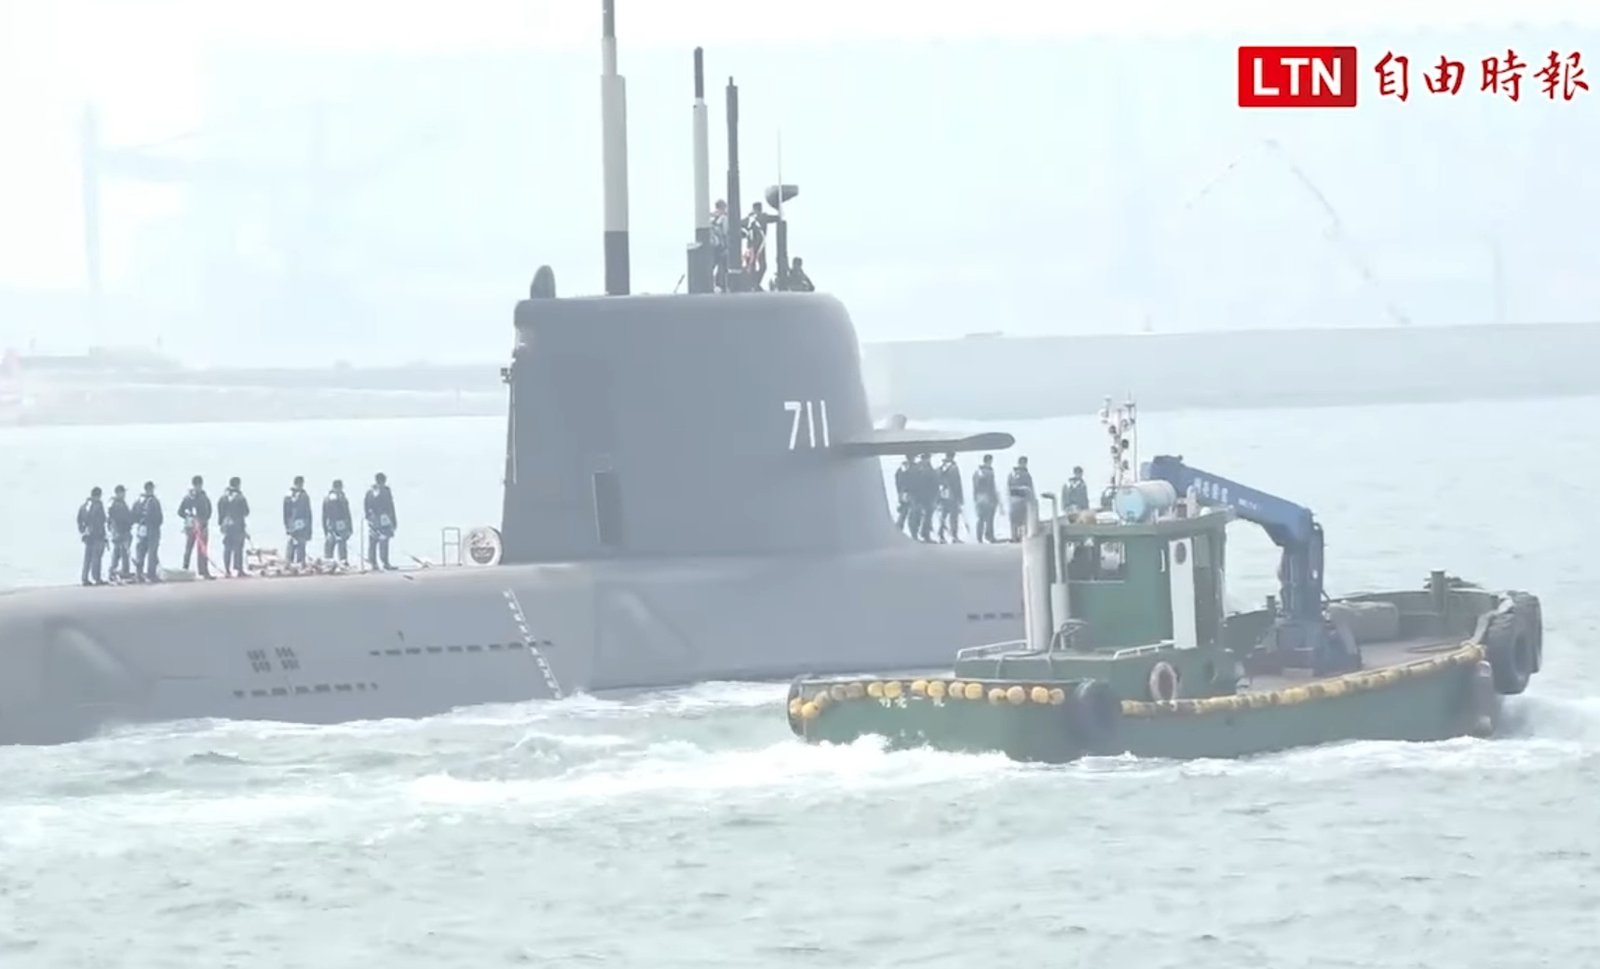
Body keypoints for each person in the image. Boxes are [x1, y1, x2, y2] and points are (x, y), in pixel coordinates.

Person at [177, 474, 213, 578]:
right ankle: (194, 570)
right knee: (196, 549)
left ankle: (193, 569)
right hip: (198, 526)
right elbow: (208, 512)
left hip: (193, 526)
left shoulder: (188, 497)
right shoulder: (201, 497)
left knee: (194, 549)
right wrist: (196, 520)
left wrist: (188, 517)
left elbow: (180, 512)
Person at [217, 476, 251, 578]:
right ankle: (239, 569)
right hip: (237, 525)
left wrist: (221, 524)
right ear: (238, 485)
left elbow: (220, 512)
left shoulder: (223, 497)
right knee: (238, 548)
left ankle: (227, 570)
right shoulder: (240, 497)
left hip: (226, 525)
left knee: (227, 547)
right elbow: (246, 512)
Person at [131, 481, 164, 582]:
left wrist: (139, 522)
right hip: (152, 529)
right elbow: (159, 517)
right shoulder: (153, 501)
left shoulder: (138, 501)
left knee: (140, 551)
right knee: (152, 552)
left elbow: (133, 515)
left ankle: (139, 574)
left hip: (141, 528)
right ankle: (151, 574)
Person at [364, 472, 398, 570]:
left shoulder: (370, 492)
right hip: (384, 518)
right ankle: (385, 562)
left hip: (373, 518)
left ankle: (373, 562)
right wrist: (393, 520)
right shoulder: (386, 491)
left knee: (373, 540)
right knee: (384, 540)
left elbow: (366, 505)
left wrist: (368, 517)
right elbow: (390, 506)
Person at [76, 486, 107, 586]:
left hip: (87, 534)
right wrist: (103, 534)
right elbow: (101, 520)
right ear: (98, 495)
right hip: (97, 535)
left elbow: (79, 520)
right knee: (96, 557)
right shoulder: (98, 505)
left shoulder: (84, 506)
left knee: (87, 558)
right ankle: (96, 578)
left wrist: (82, 530)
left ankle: (84, 578)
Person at [282, 475, 313, 566]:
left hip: (298, 523)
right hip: (295, 523)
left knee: (298, 544)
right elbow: (286, 512)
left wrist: (309, 528)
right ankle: (291, 562)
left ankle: (297, 562)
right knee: (294, 543)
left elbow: (308, 512)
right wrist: (287, 526)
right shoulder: (292, 496)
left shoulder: (302, 495)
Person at [106, 484, 134, 581]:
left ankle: (114, 571)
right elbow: (121, 519)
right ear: (118, 493)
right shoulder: (117, 504)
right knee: (122, 552)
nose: (124, 494)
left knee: (118, 553)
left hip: (117, 531)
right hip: (121, 531)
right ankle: (122, 572)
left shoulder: (114, 504)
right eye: (123, 492)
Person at [322, 479, 353, 565]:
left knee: (337, 545)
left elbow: (347, 513)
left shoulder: (334, 498)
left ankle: (337, 562)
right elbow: (346, 514)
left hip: (336, 525)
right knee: (335, 545)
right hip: (336, 525)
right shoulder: (335, 498)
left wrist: (349, 527)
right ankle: (334, 562)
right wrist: (349, 527)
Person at [936, 452, 964, 543]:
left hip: (942, 494)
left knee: (943, 516)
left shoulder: (940, 468)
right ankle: (954, 536)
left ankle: (941, 535)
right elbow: (957, 483)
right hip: (952, 495)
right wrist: (960, 497)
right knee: (953, 517)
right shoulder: (954, 468)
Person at [971, 454, 999, 543]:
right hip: (988, 497)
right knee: (989, 518)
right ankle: (990, 536)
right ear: (989, 461)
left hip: (979, 497)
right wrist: (995, 499)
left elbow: (974, 486)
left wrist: (975, 497)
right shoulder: (990, 472)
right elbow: (991, 486)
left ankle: (979, 537)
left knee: (980, 518)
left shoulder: (977, 472)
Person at [1007, 456, 1035, 542]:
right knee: (1023, 519)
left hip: (1013, 500)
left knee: (1015, 520)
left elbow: (1008, 488)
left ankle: (1014, 536)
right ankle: (1020, 536)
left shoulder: (1011, 474)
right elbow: (1030, 488)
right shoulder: (1026, 475)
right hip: (1022, 500)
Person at [743, 202, 768, 288]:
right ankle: (754, 284)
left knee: (753, 266)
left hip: (752, 246)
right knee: (761, 266)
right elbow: (778, 218)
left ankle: (753, 284)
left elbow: (738, 224)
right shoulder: (764, 217)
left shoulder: (749, 219)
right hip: (758, 246)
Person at [709, 199, 730, 292]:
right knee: (722, 266)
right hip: (722, 246)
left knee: (711, 266)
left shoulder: (710, 218)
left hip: (713, 246)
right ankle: (720, 285)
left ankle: (710, 284)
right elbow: (726, 231)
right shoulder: (724, 218)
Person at [893, 456, 913, 535]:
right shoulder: (905, 468)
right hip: (906, 492)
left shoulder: (901, 469)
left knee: (905, 511)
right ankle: (899, 527)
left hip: (904, 492)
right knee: (905, 511)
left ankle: (899, 527)